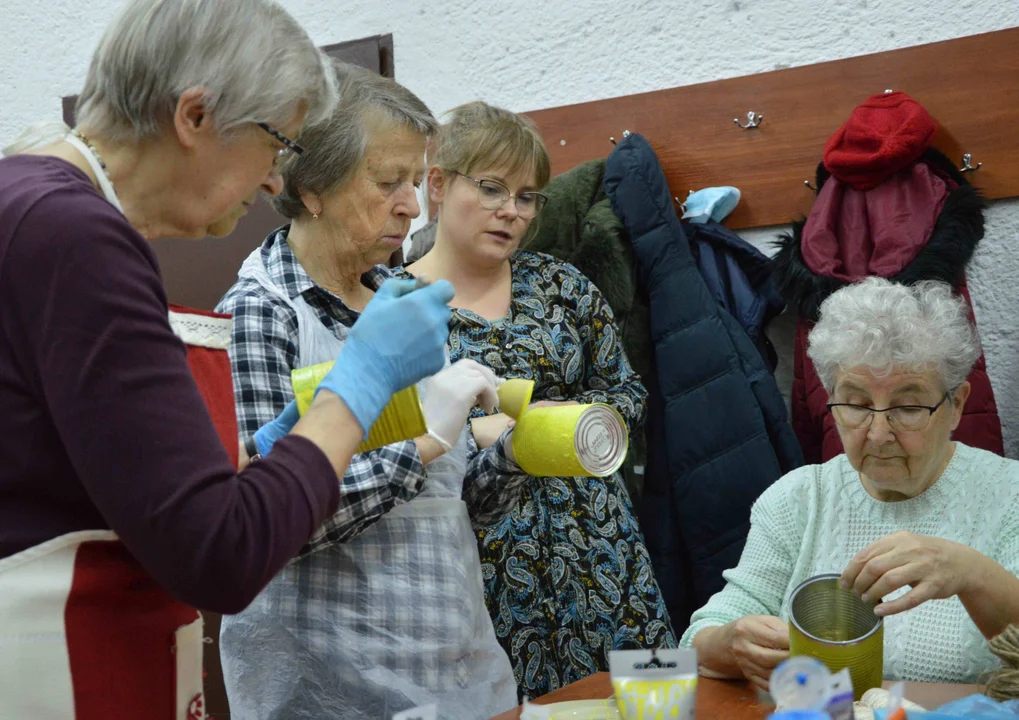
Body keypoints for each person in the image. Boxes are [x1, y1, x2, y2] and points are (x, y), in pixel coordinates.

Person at [0, 1, 455, 716]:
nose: (275, 181)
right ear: (194, 117)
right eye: (277, 143)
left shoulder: (26, 201)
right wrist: (360, 386)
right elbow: (218, 556)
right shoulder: (73, 233)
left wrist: (261, 453)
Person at [216, 64, 525, 719]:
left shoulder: (401, 301)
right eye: (389, 183)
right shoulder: (261, 313)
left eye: (414, 181)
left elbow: (451, 506)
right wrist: (423, 446)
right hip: (336, 695)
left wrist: (515, 454)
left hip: (461, 679)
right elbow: (267, 526)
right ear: (313, 188)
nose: (414, 205)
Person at [403, 101, 677, 699]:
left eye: (527, 196)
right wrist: (479, 431)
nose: (512, 211)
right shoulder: (394, 307)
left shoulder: (560, 284)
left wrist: (570, 422)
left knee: (648, 703)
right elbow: (392, 434)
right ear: (439, 185)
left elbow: (627, 392)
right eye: (493, 188)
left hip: (603, 548)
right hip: (486, 561)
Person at [682, 277, 1019, 688]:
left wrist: (972, 573)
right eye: (857, 405)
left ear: (956, 406)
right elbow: (701, 639)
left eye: (909, 406)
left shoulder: (1009, 497)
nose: (878, 433)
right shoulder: (798, 499)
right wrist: (732, 642)